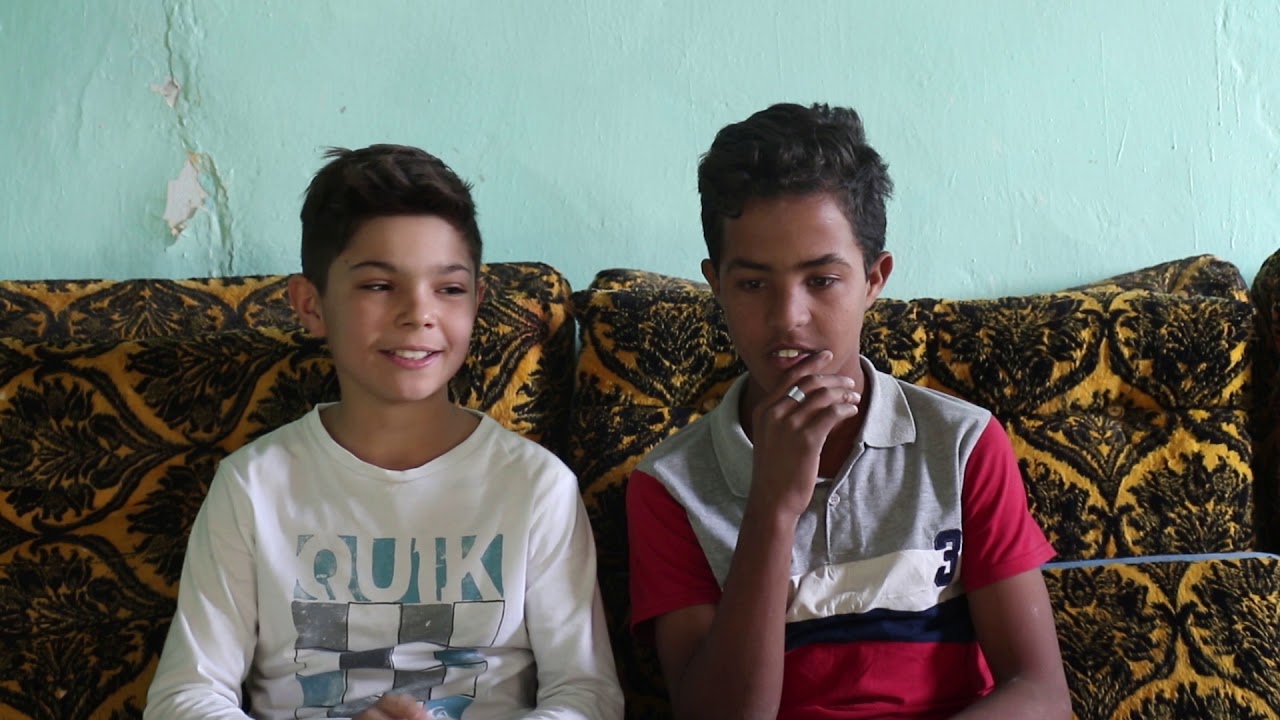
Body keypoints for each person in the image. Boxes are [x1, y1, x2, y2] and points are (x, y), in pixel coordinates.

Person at [145, 144, 623, 720]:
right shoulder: (253, 487)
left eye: (449, 289)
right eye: (378, 286)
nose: (418, 313)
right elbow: (185, 697)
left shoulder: (534, 486)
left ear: (476, 302)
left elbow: (587, 695)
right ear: (310, 305)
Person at [626, 104, 1071, 719]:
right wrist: (772, 509)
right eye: (753, 284)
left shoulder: (962, 445)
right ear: (717, 285)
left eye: (822, 280)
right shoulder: (670, 486)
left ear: (873, 279)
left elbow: (1041, 693)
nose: (789, 318)